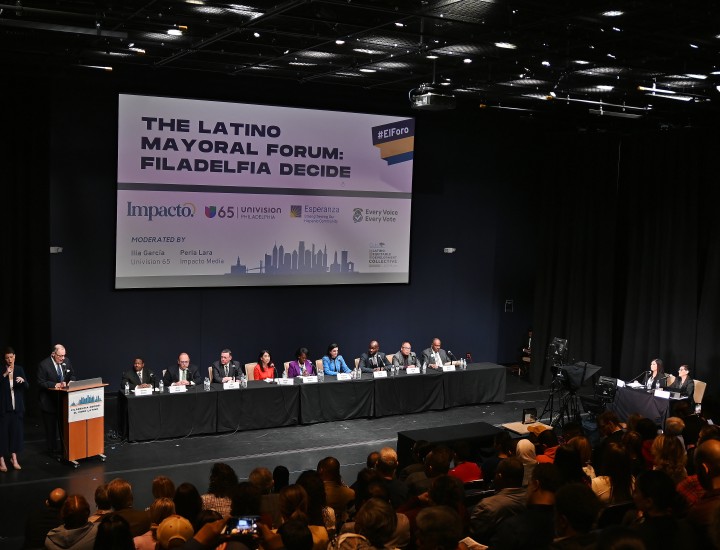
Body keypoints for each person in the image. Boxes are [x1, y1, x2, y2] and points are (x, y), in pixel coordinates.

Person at [37, 344, 76, 455]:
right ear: (53, 354)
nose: (62, 358)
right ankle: (52, 451)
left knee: (64, 427)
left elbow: (72, 375)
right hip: (49, 402)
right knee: (51, 429)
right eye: (60, 356)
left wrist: (69, 382)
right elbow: (41, 382)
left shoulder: (67, 361)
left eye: (64, 355)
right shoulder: (44, 365)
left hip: (63, 401)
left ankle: (65, 449)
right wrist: (55, 384)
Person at [1, 347, 28, 471]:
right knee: (3, 434)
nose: (9, 359)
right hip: (4, 408)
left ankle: (14, 458)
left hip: (16, 407)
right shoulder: (2, 370)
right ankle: (1, 460)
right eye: (7, 357)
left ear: (14, 356)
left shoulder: (19, 369)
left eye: (11, 357)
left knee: (15, 433)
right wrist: (5, 375)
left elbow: (27, 386)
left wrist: (22, 381)